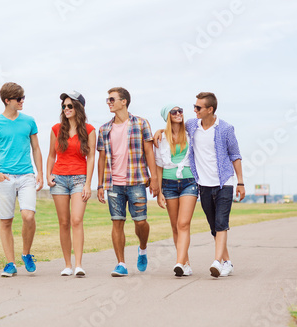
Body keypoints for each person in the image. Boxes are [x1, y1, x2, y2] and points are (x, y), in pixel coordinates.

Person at [155, 92, 245, 278]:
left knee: (213, 223)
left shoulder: (221, 129)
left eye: (197, 108)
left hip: (218, 182)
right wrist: (160, 131)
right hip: (199, 184)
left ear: (209, 109)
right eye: (193, 107)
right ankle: (222, 261)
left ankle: (215, 262)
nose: (190, 111)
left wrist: (241, 182)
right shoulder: (192, 126)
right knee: (213, 225)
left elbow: (235, 155)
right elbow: (170, 133)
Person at [97, 87, 160, 277]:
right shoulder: (104, 129)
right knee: (117, 222)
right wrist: (100, 185)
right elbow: (101, 158)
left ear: (123, 101)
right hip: (113, 183)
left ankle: (142, 248)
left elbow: (149, 152)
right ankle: (121, 264)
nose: (108, 102)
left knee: (140, 222)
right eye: (107, 99)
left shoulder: (141, 123)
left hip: (137, 180)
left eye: (112, 99)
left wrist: (154, 178)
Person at [0, 82, 43, 277]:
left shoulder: (29, 121)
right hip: (5, 177)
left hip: (27, 175)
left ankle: (26, 253)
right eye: (19, 99)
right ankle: (10, 263)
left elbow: (36, 148)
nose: (22, 101)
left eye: (23, 97)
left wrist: (39, 173)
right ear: (7, 101)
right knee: (6, 221)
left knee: (28, 216)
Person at [46, 91, 96, 277]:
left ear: (78, 108)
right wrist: (48, 175)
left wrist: (88, 184)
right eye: (64, 106)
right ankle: (67, 264)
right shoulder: (56, 129)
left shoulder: (89, 130)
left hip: (79, 179)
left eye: (70, 106)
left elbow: (90, 158)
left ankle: (79, 264)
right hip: (58, 179)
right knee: (64, 222)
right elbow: (52, 155)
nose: (66, 109)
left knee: (76, 219)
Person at [154, 104, 198, 277]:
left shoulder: (190, 132)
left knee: (183, 223)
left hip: (189, 182)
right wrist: (159, 192)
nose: (179, 113)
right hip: (169, 184)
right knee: (175, 226)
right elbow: (158, 165)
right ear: (168, 117)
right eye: (174, 112)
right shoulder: (161, 138)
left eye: (180, 111)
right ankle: (185, 263)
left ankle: (178, 262)